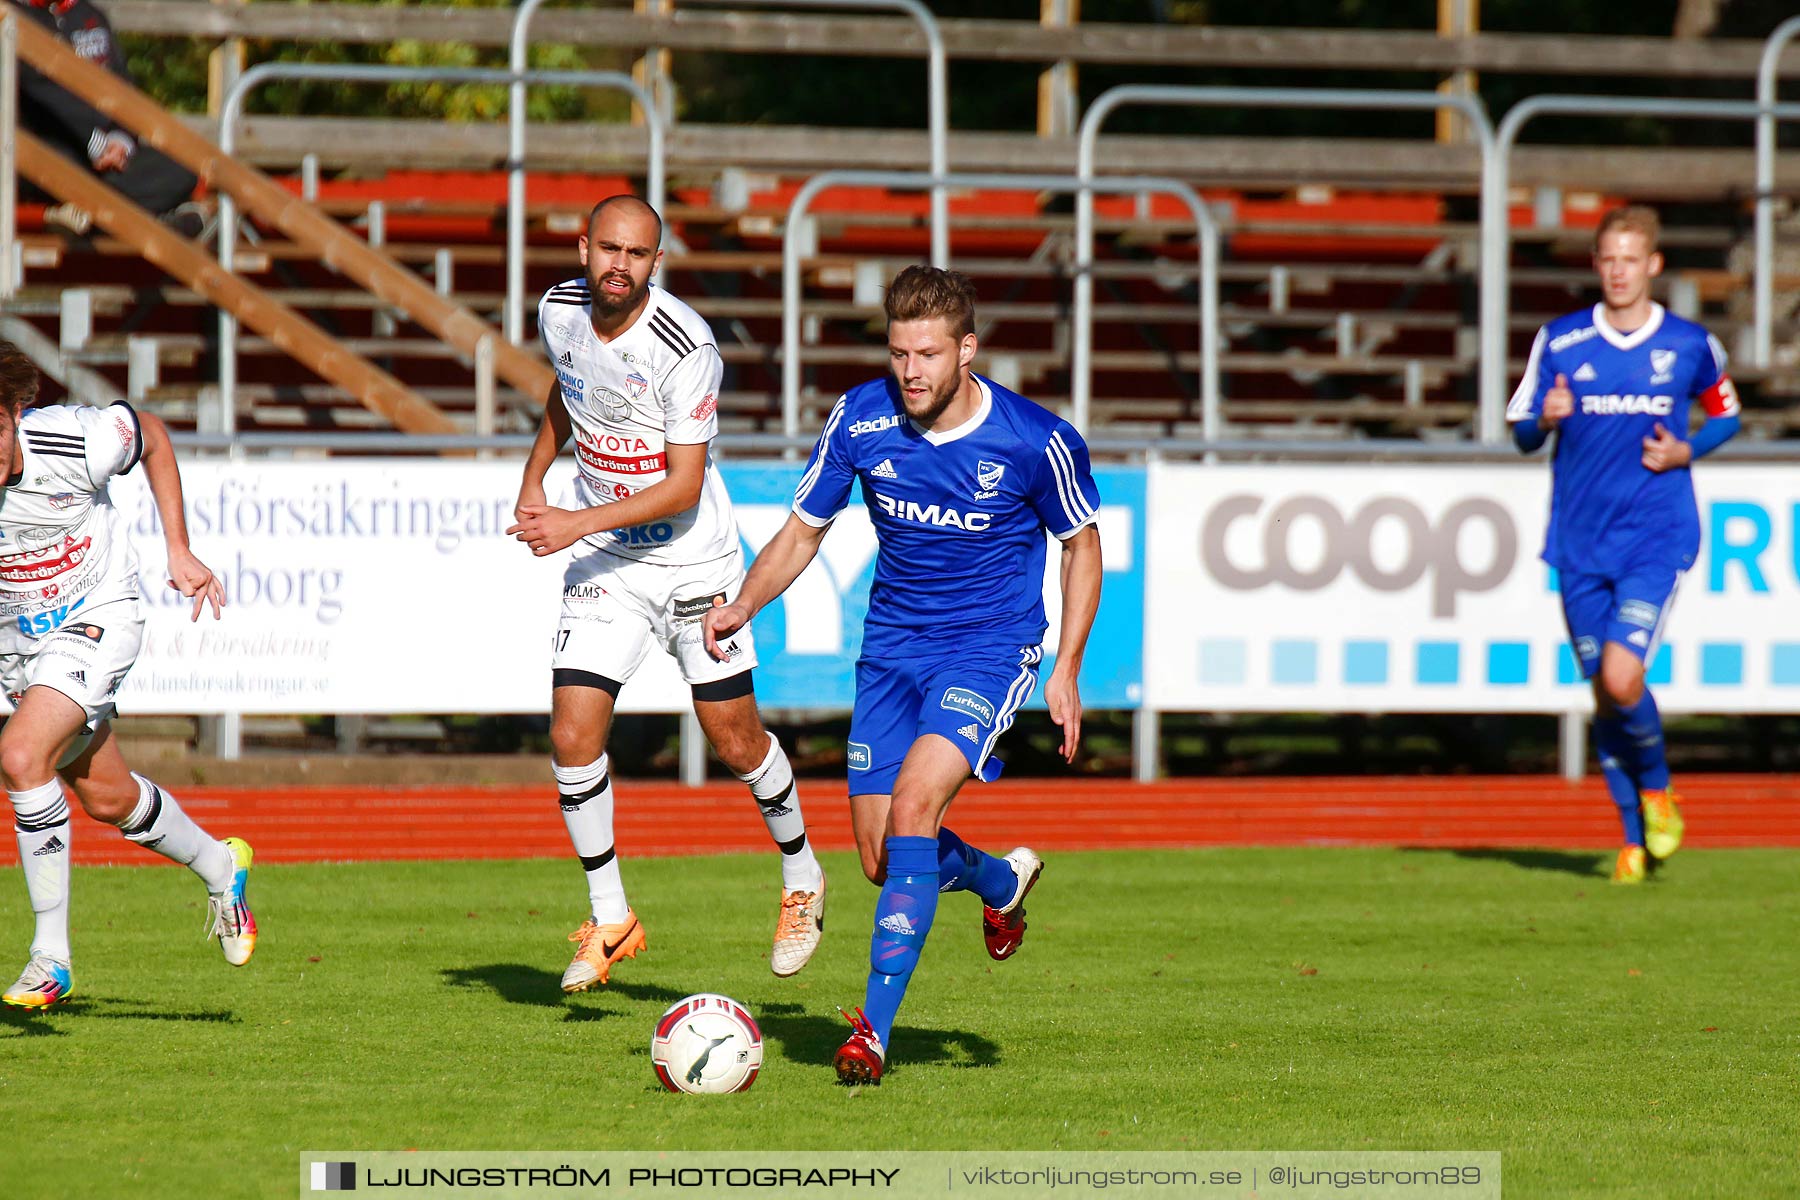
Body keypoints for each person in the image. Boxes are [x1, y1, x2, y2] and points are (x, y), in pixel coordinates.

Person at [703, 265, 1103, 1084]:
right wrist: (745, 603)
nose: (911, 371)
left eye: (926, 354)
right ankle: (999, 880)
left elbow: (1082, 543)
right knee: (886, 857)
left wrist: (1066, 666)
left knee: (917, 808)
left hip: (991, 648)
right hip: (891, 649)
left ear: (967, 349)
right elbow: (804, 529)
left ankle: (871, 1033)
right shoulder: (860, 417)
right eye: (898, 354)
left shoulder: (1035, 439)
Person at [508, 195, 826, 992]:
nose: (620, 265)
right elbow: (567, 393)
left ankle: (803, 878)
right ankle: (611, 917)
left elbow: (684, 487)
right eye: (608, 249)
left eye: (638, 254)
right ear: (583, 247)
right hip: (609, 565)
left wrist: (576, 521)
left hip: (694, 566)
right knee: (572, 733)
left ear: (657, 262)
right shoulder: (558, 311)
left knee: (735, 740)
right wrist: (534, 475)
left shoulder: (686, 346)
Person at [0, 339, 248, 1010]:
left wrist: (179, 547)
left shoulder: (73, 439)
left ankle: (51, 958)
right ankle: (221, 866)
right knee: (107, 797)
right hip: (15, 644)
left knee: (21, 755)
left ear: (13, 414)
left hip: (100, 614)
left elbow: (155, 435)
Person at [1507, 205, 1741, 885]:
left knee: (1620, 675)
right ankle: (1634, 838)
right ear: (1596, 264)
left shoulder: (1690, 344)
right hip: (1579, 543)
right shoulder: (1561, 340)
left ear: (1654, 266)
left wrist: (1687, 450)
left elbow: (1727, 413)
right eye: (1608, 258)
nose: (1618, 271)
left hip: (1654, 537)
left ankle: (1659, 789)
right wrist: (1542, 423)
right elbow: (1520, 428)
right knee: (1604, 694)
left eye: (1631, 259)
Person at [6, 0, 207, 238]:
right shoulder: (9, 16)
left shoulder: (90, 16)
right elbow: (42, 90)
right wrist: (95, 143)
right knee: (49, 161)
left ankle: (86, 219)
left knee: (186, 167)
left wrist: (121, 140)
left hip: (103, 165)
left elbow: (123, 88)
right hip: (44, 151)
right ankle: (139, 219)